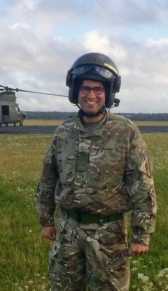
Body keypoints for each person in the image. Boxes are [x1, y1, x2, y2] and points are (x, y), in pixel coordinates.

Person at [34, 52, 157, 291]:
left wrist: (142, 234)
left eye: (98, 90)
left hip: (108, 233)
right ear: (75, 92)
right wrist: (46, 219)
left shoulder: (126, 131)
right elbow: (49, 176)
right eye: (85, 89)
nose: (91, 95)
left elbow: (141, 183)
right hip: (67, 229)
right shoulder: (64, 131)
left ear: (109, 93)